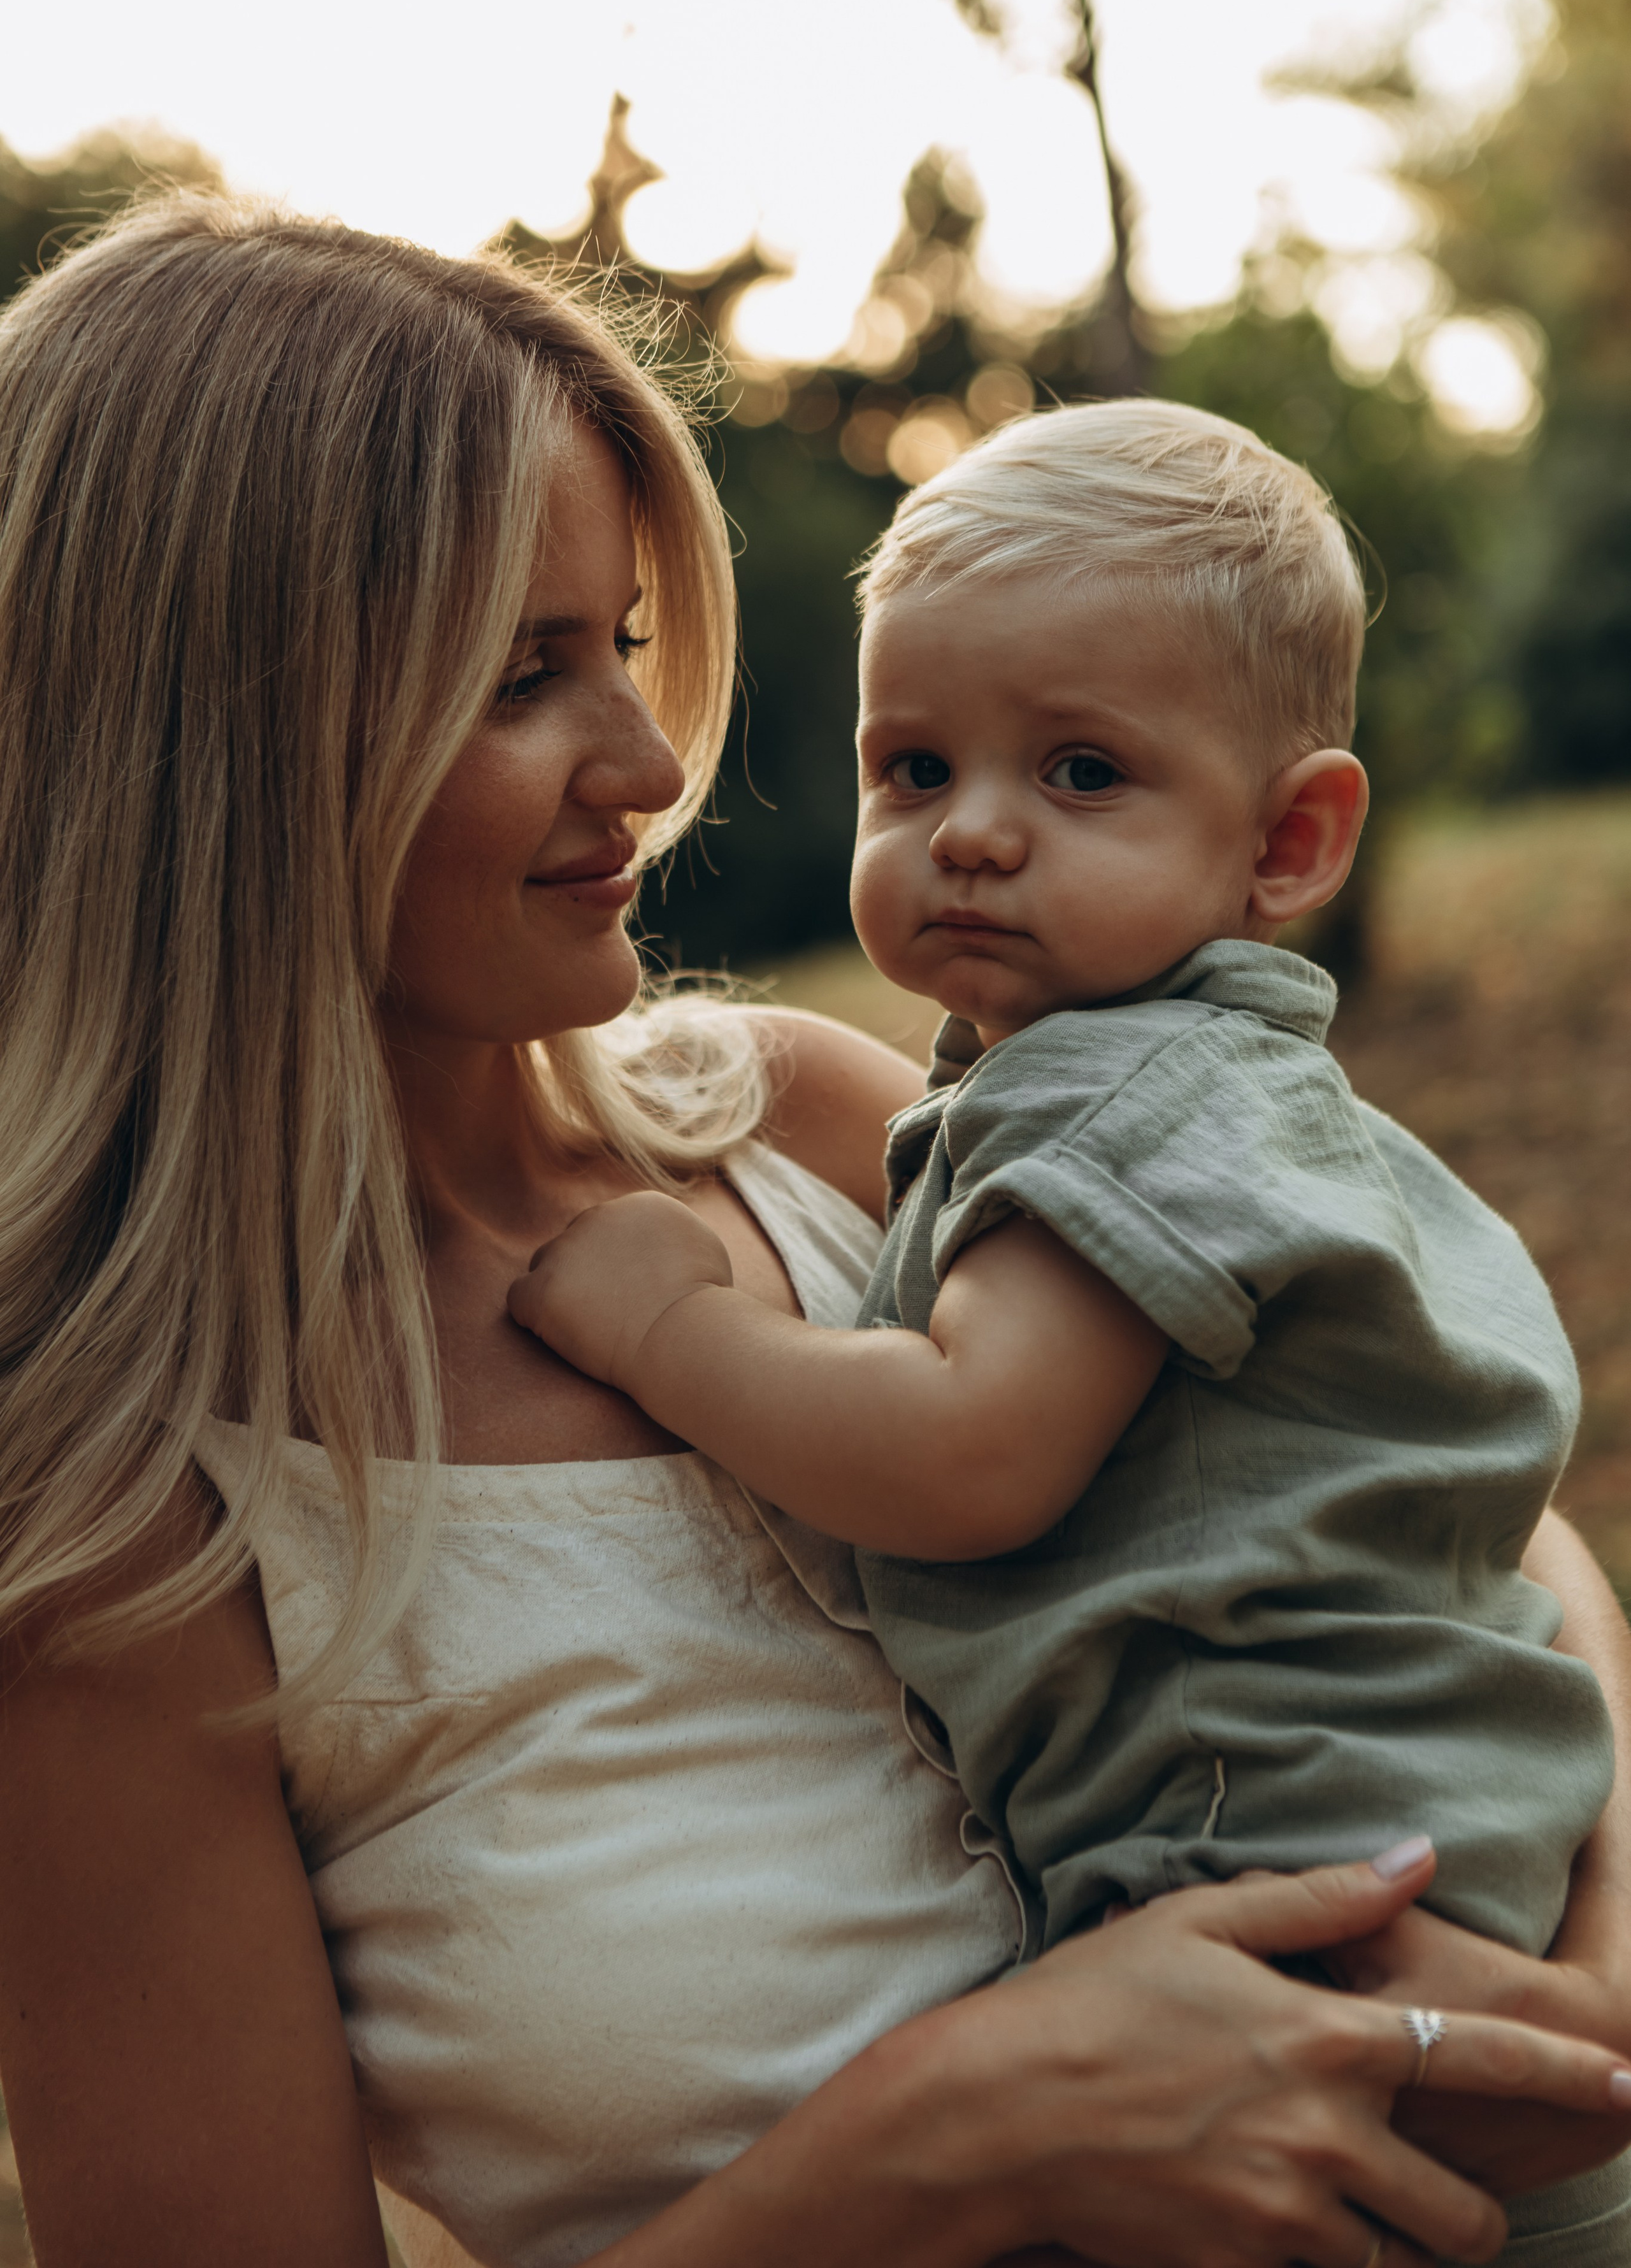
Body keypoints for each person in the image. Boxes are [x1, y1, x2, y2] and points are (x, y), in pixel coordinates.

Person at [0, 204, 1628, 2268]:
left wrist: (1590, 1962)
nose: (652, 766)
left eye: (631, 648)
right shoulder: (123, 1547)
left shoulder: (820, 1123)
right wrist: (966, 2133)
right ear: (215, 752)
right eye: (525, 677)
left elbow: (1437, 1503)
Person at [508, 399, 1607, 1953]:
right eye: (914, 767)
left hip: (1264, 1857)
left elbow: (968, 1456)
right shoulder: (1211, 1092)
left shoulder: (1124, 1100)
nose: (970, 833)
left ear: (1286, 842)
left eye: (1080, 772)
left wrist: (666, 1334)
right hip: (1400, 1830)